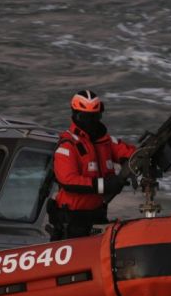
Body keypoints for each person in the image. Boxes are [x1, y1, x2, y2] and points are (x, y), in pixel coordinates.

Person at [49, 89, 136, 240]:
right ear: (75, 115)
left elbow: (132, 154)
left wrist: (157, 149)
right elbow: (68, 180)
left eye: (94, 117)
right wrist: (104, 185)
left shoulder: (106, 142)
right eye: (85, 117)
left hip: (97, 218)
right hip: (71, 223)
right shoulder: (67, 146)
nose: (90, 122)